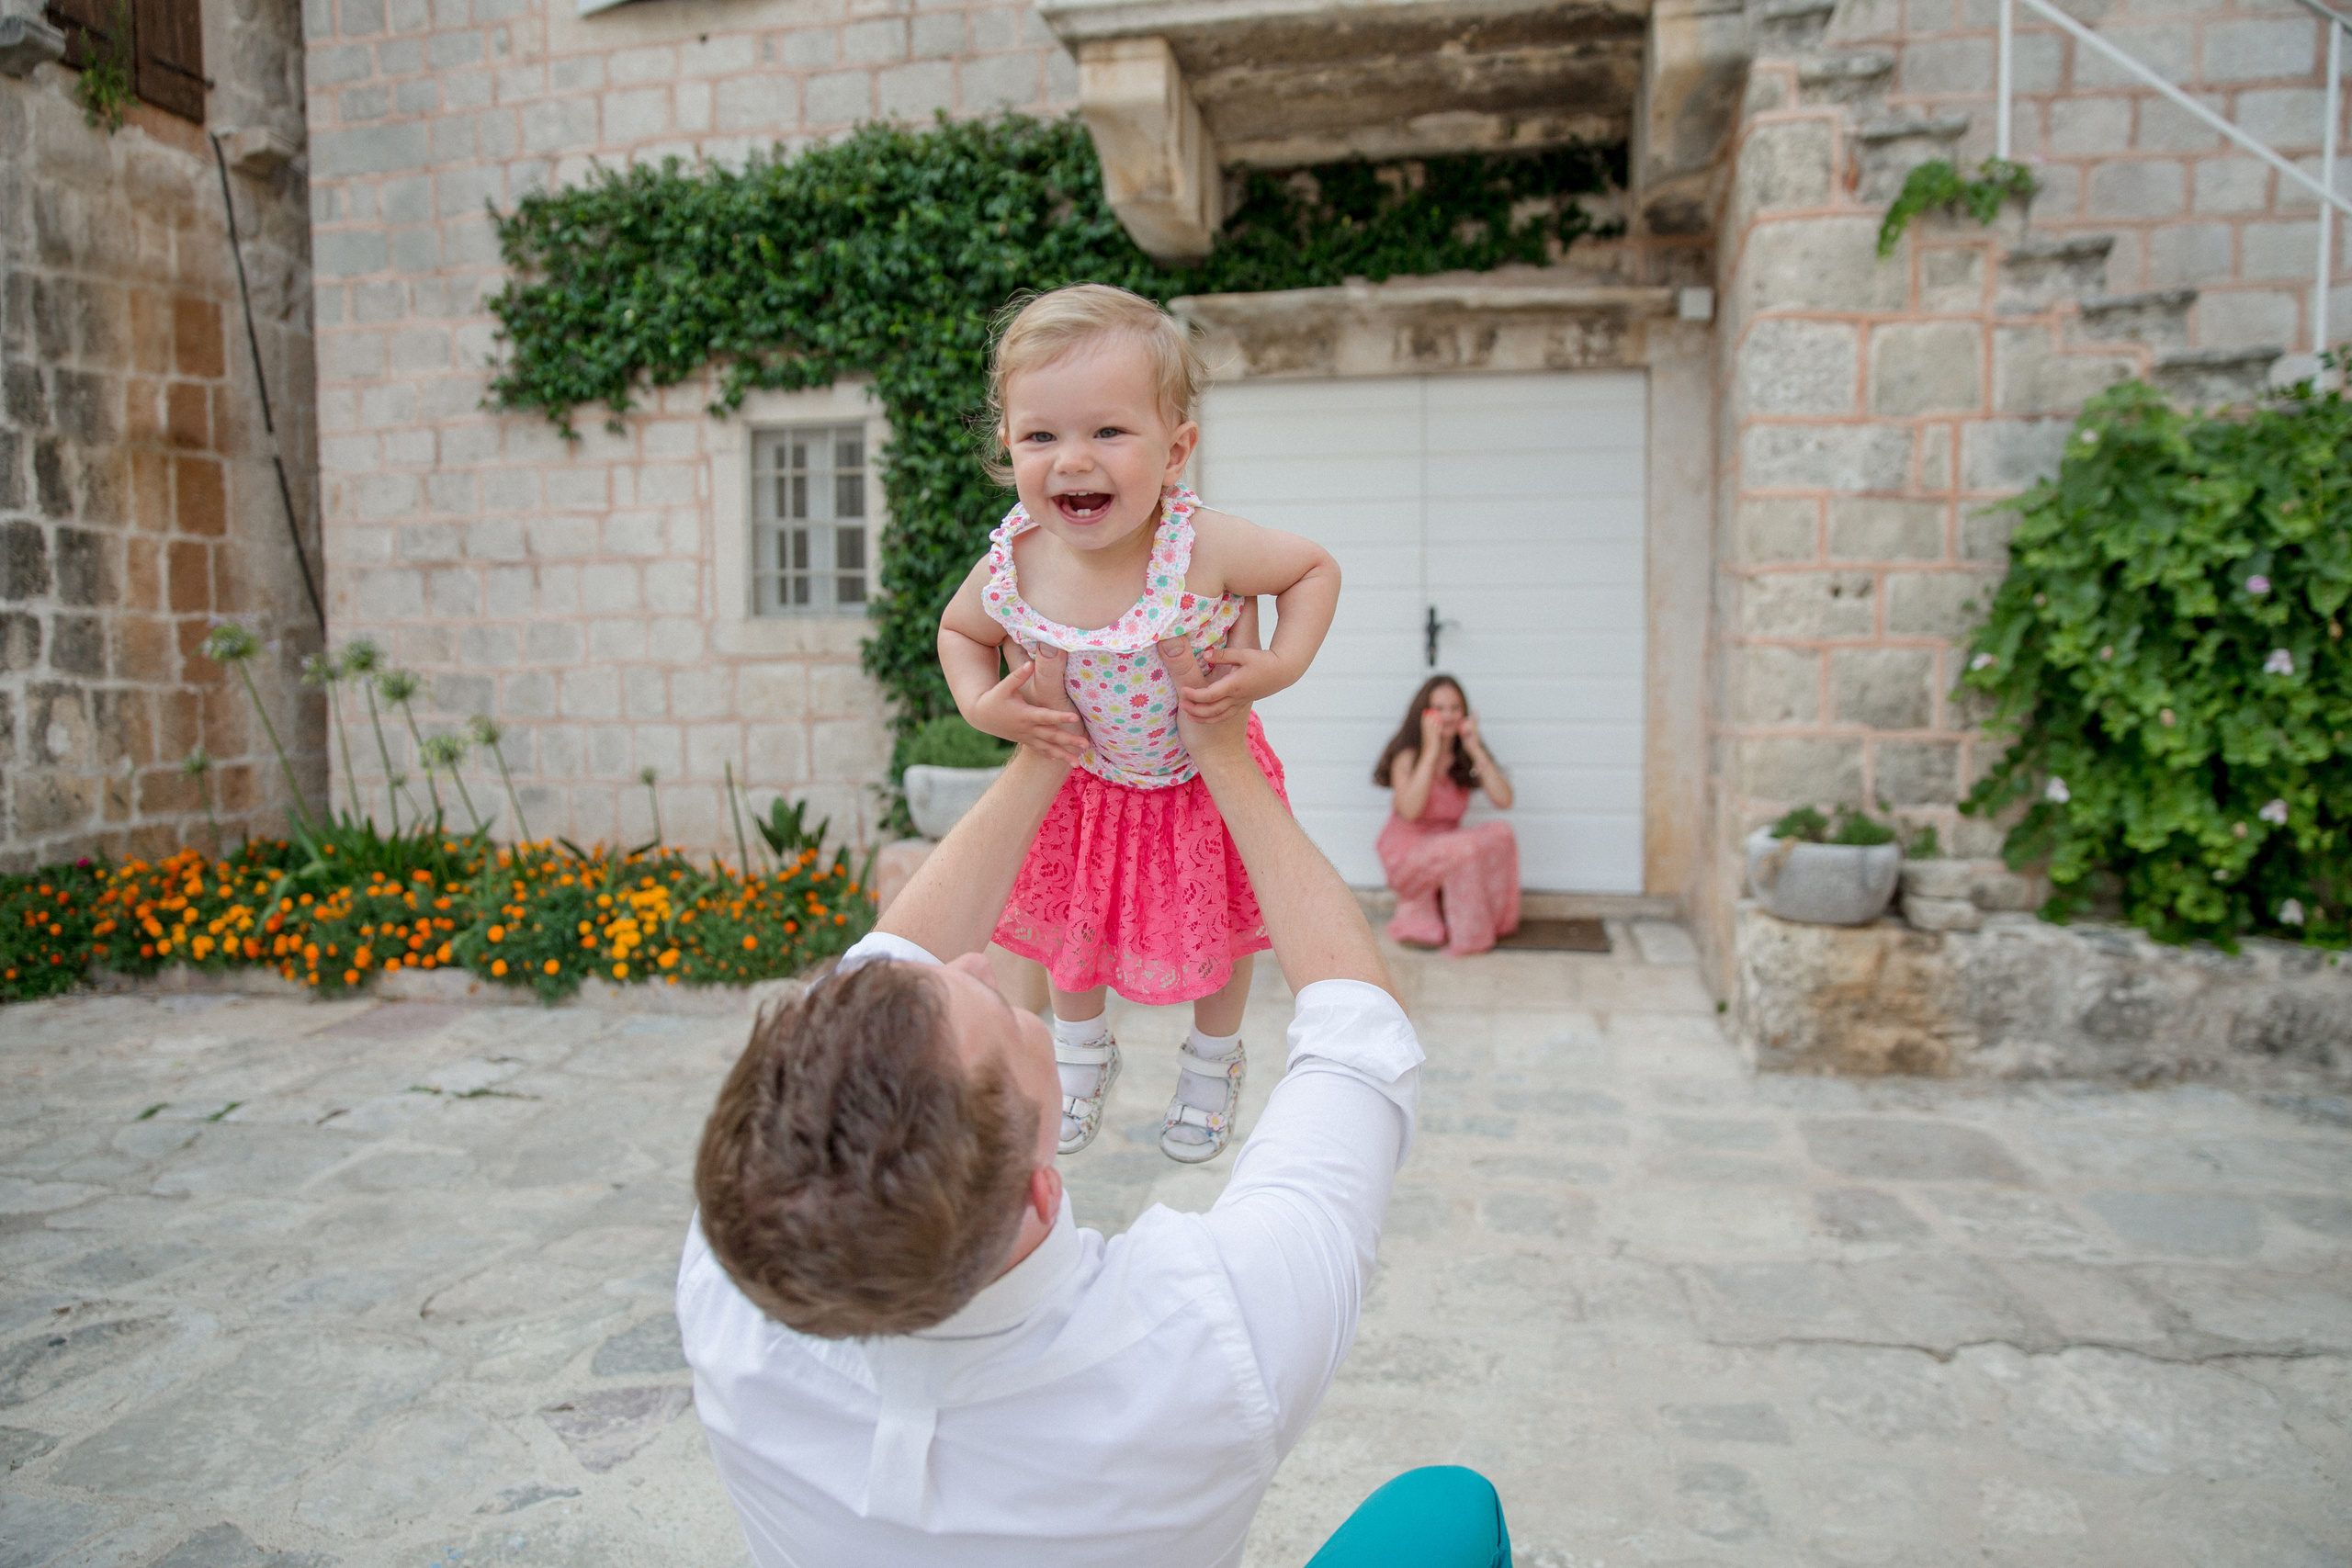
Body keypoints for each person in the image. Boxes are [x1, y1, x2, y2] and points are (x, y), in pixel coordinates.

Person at [676, 671, 1511, 1568]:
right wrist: (1225, 757)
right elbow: (1358, 1035)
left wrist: (1048, 746)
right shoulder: (1202, 1344)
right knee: (1450, 1516)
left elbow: (884, 966)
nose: (976, 961)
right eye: (998, 1013)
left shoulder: (734, 1281)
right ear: (1040, 1188)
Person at [936, 283, 1340, 1164]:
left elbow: (1311, 571)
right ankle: (1081, 1053)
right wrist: (980, 702)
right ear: (1007, 445)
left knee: (1223, 932)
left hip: (1200, 784)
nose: (1072, 459)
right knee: (1067, 933)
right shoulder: (1018, 561)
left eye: (1108, 432)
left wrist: (1278, 664)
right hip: (1090, 785)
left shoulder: (1201, 547)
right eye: (1042, 435)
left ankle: (1213, 1060)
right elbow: (961, 632)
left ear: (1175, 450)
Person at [1373, 675, 1521, 956]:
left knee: (1502, 832)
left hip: (1448, 847)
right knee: (1463, 847)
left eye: (1455, 708)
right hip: (1407, 853)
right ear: (1424, 713)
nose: (1449, 715)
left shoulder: (1464, 754)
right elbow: (1410, 810)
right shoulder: (1408, 756)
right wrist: (1430, 751)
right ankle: (1469, 938)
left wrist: (1475, 748)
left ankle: (1495, 923)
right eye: (1440, 708)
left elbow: (1504, 800)